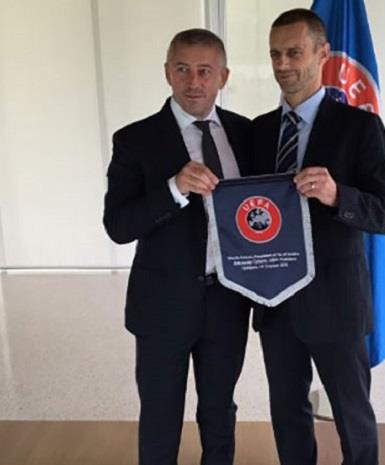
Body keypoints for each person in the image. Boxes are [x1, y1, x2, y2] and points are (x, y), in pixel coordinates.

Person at [251, 9, 385, 465]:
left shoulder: (359, 127)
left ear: (323, 54)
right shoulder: (257, 132)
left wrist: (338, 195)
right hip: (275, 301)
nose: (283, 64)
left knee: (352, 414)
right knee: (287, 413)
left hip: (336, 302)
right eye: (275, 54)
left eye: (294, 52)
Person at [103, 29, 251, 465]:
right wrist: (173, 188)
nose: (194, 82)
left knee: (220, 411)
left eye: (205, 71)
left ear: (223, 77)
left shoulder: (246, 133)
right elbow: (118, 226)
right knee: (160, 415)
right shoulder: (134, 139)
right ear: (167, 73)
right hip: (162, 305)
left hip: (228, 300)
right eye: (183, 69)